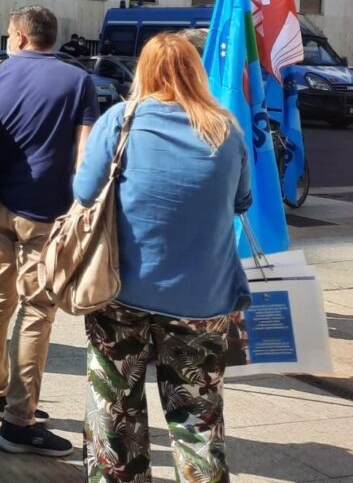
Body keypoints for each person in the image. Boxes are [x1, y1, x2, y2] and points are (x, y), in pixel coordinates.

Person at [74, 32, 250, 482]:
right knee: (197, 418)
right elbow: (243, 200)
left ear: (144, 71)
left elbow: (83, 191)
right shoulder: (226, 128)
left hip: (122, 292)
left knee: (115, 410)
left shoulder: (122, 120)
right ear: (196, 72)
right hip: (203, 299)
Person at [0, 5, 98, 458]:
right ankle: (19, 421)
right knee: (37, 311)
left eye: (10, 33)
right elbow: (84, 156)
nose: (8, 40)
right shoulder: (78, 80)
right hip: (46, 214)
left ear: (22, 38)